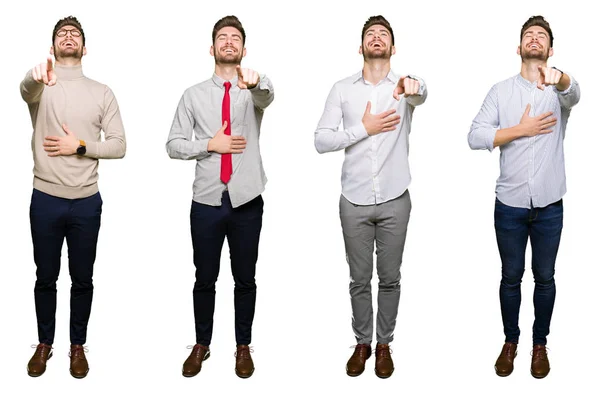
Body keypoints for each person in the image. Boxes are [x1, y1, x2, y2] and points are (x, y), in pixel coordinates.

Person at [314, 15, 427, 379]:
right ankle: (362, 342)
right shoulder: (342, 89)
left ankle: (384, 344)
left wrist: (414, 85)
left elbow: (423, 92)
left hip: (395, 198)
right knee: (359, 279)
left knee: (390, 278)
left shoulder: (405, 88)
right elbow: (321, 140)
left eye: (383, 35)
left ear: (393, 48)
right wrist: (364, 128)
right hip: (355, 200)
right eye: (370, 34)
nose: (376, 38)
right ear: (360, 46)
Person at [468, 15, 580, 379]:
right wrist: (520, 129)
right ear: (519, 48)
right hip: (510, 206)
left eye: (541, 36)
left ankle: (539, 344)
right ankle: (510, 341)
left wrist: (559, 78)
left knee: (545, 277)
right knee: (511, 277)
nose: (534, 39)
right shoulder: (501, 91)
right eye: (528, 36)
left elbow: (574, 92)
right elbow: (475, 136)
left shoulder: (558, 93)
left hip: (549, 206)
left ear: (549, 50)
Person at [166, 15, 274, 379]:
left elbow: (268, 94)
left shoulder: (252, 90)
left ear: (243, 49)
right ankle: (202, 343)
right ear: (212, 49)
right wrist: (208, 145)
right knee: (204, 278)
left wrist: (257, 81)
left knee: (246, 278)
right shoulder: (192, 95)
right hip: (207, 202)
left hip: (246, 201)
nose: (229, 43)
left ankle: (243, 346)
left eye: (235, 39)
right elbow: (173, 144)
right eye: (222, 38)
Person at [21, 16, 126, 379]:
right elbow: (25, 90)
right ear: (52, 48)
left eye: (75, 34)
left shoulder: (102, 92)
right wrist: (35, 77)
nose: (69, 37)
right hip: (45, 198)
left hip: (86, 201)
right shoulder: (42, 85)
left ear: (84, 48)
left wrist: (80, 146)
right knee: (45, 277)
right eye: (62, 34)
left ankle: (77, 345)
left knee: (82, 278)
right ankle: (44, 343)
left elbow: (119, 146)